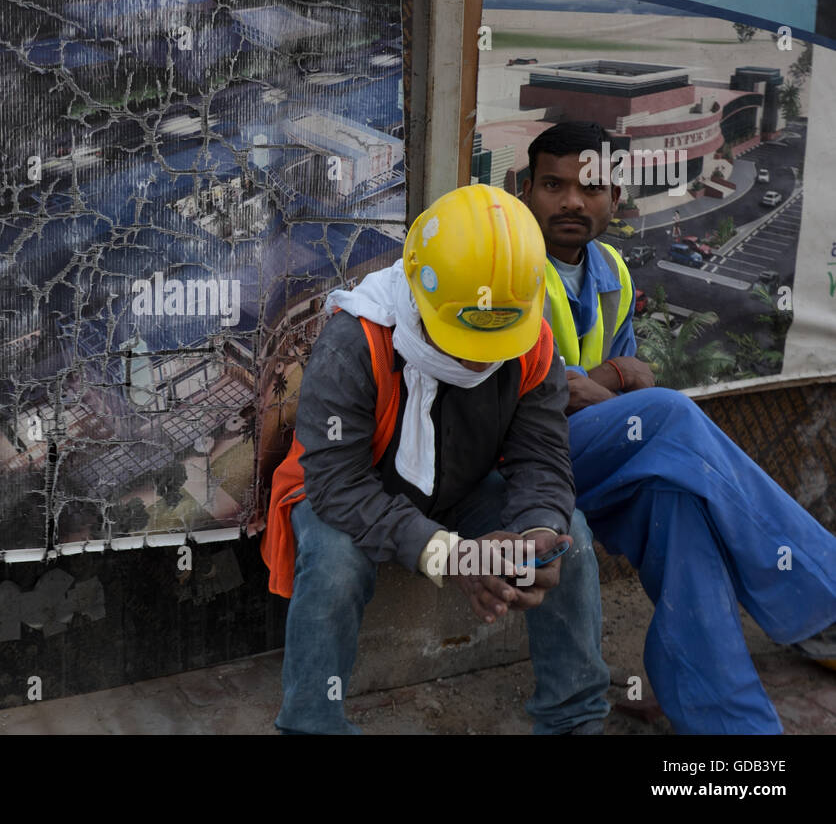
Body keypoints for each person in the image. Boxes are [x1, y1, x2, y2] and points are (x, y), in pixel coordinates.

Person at [520, 120, 836, 734]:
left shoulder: (611, 268)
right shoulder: (505, 262)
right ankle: (824, 592)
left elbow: (612, 392)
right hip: (521, 468)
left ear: (616, 197)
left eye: (590, 188)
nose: (571, 202)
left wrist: (600, 383)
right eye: (553, 185)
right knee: (669, 414)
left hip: (589, 456)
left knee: (679, 503)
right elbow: (540, 396)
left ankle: (725, 727)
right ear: (525, 188)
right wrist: (609, 374)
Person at [261, 183, 611, 735]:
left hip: (462, 489)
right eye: (463, 339)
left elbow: (542, 459)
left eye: (492, 342)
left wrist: (534, 532)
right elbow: (337, 485)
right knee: (333, 564)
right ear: (421, 299)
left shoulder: (531, 342)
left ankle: (576, 719)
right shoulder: (355, 340)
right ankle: (311, 724)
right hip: (348, 491)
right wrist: (450, 555)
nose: (478, 360)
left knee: (571, 538)